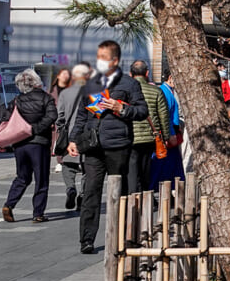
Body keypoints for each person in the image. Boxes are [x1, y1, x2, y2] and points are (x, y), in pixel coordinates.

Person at [68, 39, 149, 255]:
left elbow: (142, 111)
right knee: (90, 192)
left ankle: (121, 237)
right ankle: (86, 239)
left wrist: (121, 108)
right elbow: (82, 114)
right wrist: (74, 139)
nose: (99, 62)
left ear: (115, 60)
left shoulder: (129, 84)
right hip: (93, 145)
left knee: (120, 192)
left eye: (103, 58)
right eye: (98, 58)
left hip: (118, 145)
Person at [1, 69, 58, 223]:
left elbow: (6, 118)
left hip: (20, 143)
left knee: (22, 176)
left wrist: (2, 140)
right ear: (37, 82)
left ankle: (9, 204)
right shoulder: (46, 98)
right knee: (41, 179)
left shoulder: (17, 100)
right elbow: (53, 115)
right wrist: (37, 128)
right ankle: (38, 213)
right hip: (39, 143)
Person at [55, 62, 93, 211]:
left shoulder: (66, 93)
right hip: (88, 134)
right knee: (87, 167)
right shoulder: (93, 93)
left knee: (68, 164)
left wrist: (61, 128)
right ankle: (83, 195)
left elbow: (60, 116)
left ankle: (70, 188)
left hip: (70, 134)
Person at [128, 60, 170, 193]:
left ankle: (132, 197)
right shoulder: (156, 91)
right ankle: (145, 196)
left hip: (130, 136)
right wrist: (166, 136)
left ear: (130, 74)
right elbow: (163, 115)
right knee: (146, 168)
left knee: (132, 170)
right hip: (150, 136)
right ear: (147, 73)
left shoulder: (126, 92)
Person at [152, 68, 187, 182]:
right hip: (169, 135)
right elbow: (164, 116)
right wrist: (170, 134)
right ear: (171, 78)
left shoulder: (168, 91)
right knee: (165, 168)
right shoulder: (164, 92)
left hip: (172, 133)